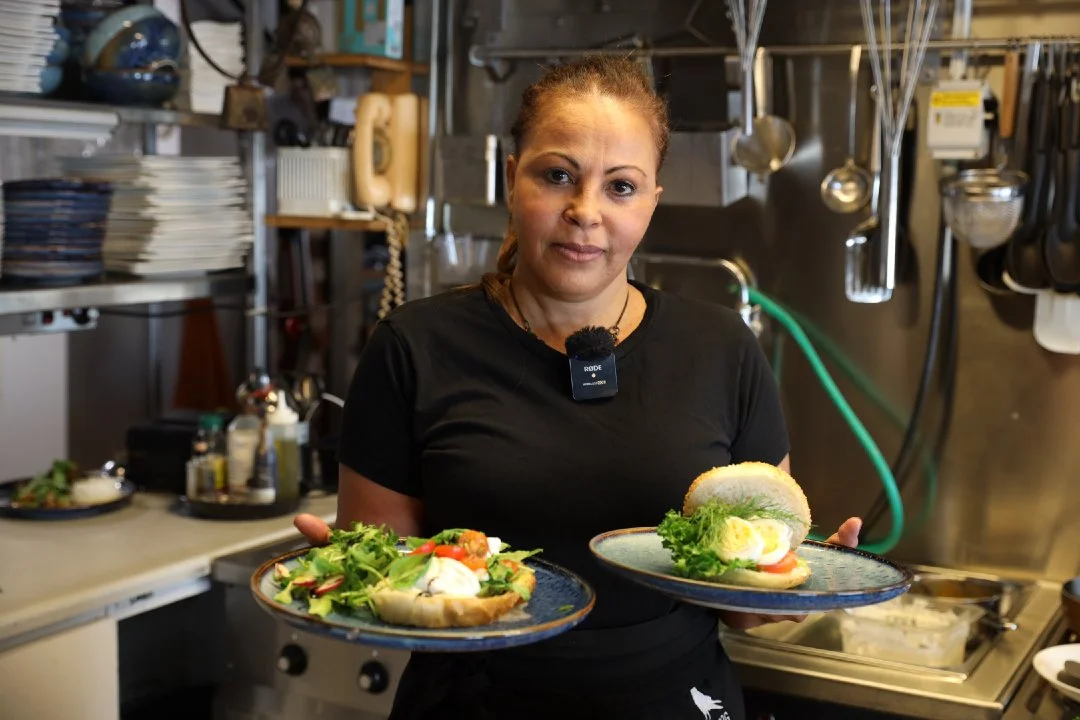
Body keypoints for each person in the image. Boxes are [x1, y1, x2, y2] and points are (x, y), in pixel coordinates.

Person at [294, 54, 862, 720]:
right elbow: (386, 586)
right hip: (476, 705)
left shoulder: (723, 350)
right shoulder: (413, 347)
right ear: (513, 181)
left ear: (652, 200)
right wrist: (348, 575)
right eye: (557, 175)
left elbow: (742, 613)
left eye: (621, 187)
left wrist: (796, 585)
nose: (584, 211)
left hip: (671, 701)